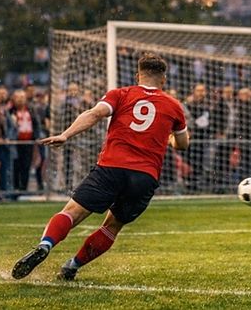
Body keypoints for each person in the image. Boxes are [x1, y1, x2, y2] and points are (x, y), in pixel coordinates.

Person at [11, 53, 188, 280]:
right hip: (144, 176)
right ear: (164, 80)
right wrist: (171, 138)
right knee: (111, 227)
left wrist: (66, 134)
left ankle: (45, 245)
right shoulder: (173, 106)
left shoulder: (121, 94)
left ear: (138, 76)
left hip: (111, 168)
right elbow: (182, 144)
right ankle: (72, 266)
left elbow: (94, 114)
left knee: (72, 213)